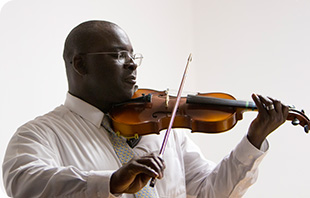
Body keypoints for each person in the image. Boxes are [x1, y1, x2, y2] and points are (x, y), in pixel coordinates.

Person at [2, 20, 288, 198]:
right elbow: (25, 184)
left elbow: (210, 191)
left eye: (132, 54)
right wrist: (111, 183)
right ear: (80, 64)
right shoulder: (39, 134)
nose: (132, 63)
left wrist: (254, 139)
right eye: (117, 55)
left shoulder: (163, 126)